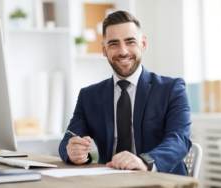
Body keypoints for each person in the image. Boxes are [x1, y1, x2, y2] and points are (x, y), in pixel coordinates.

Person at [59, 10, 192, 175]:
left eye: (130, 42)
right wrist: (73, 152)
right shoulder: (89, 96)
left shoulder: (172, 89)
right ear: (104, 49)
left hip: (160, 180)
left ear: (143, 44)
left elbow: (179, 140)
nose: (123, 51)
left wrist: (144, 161)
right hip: (111, 181)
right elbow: (68, 140)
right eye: (113, 43)